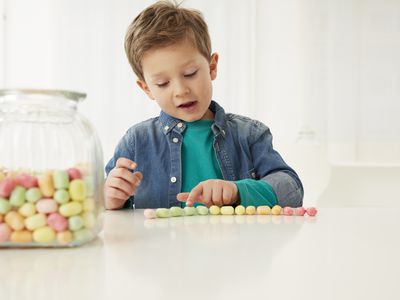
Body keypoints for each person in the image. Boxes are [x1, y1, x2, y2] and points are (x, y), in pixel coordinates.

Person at [104, 0, 303, 210]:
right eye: (163, 83)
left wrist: (238, 191)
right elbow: (103, 201)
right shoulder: (136, 142)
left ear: (212, 67)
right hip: (160, 244)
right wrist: (110, 198)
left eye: (190, 74)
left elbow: (292, 190)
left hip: (238, 243)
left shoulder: (250, 135)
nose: (181, 90)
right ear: (147, 89)